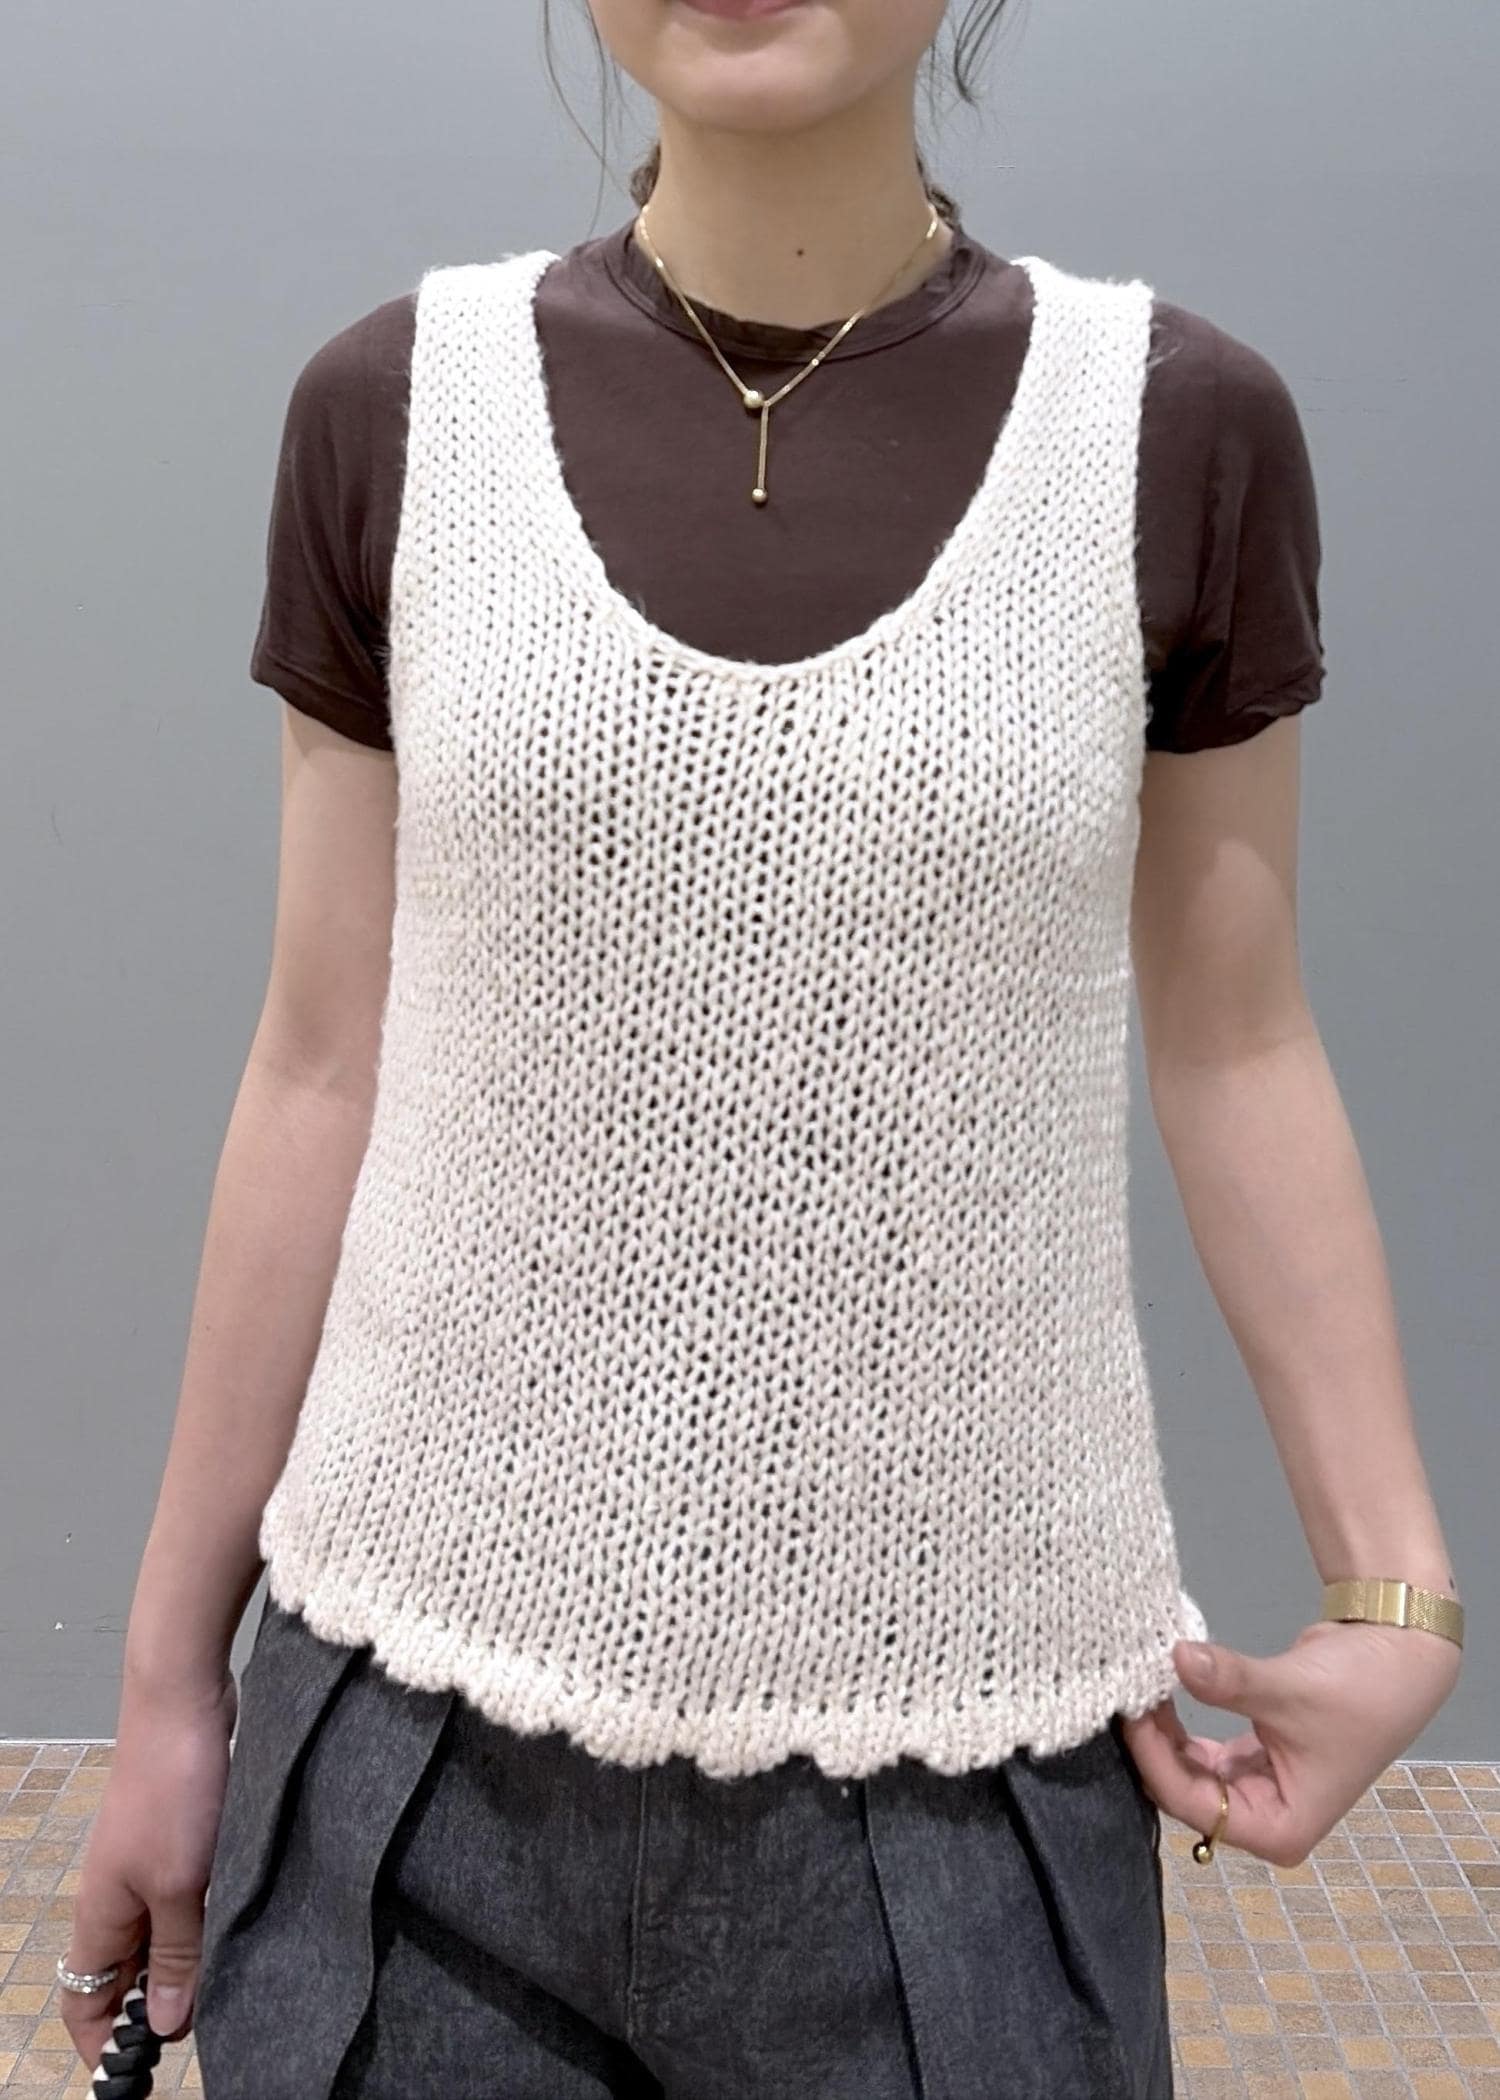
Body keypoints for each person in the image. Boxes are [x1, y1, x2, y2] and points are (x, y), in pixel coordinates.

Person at [58, 1, 1463, 2094]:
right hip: (407, 1762)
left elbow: (1237, 1039)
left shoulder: (1177, 429)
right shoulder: (395, 408)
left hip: (969, 1762)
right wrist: (171, 1680)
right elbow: (321, 1061)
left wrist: (1397, 1586)